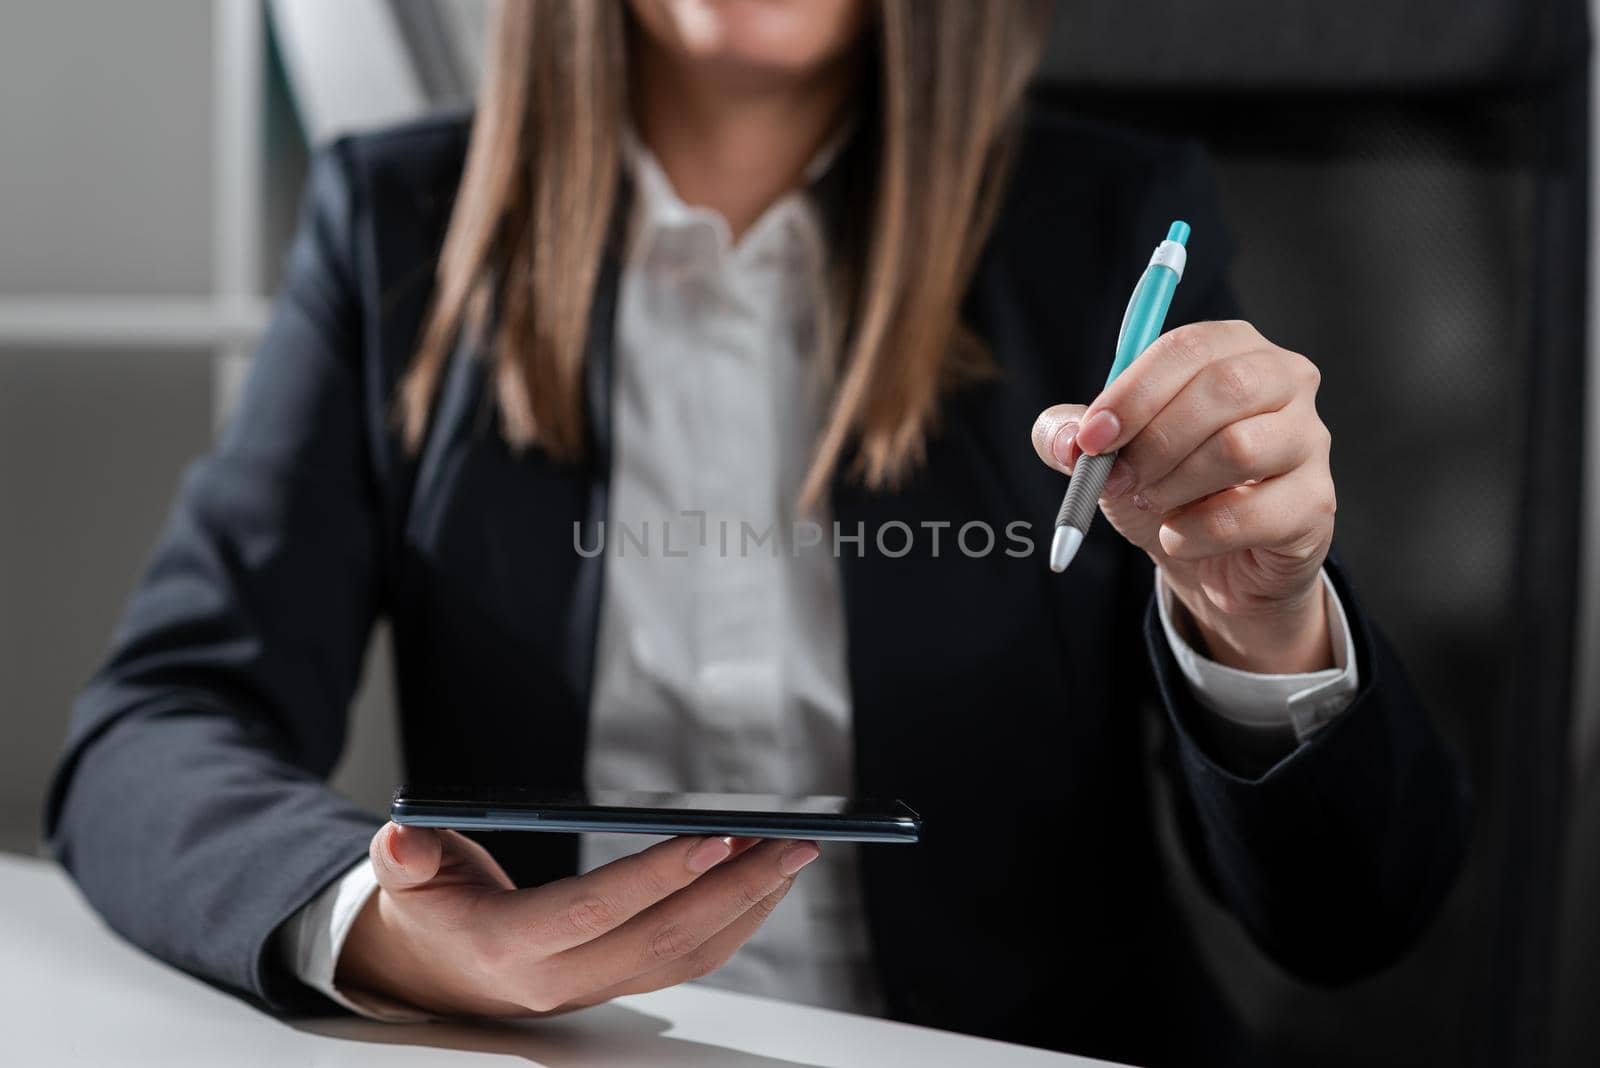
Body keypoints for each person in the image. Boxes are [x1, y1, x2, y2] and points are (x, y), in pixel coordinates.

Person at [46, 1, 1469, 1064]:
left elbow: (1353, 921)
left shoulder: (1101, 225)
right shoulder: (395, 227)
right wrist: (377, 922)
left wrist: (1262, 624)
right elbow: (152, 730)